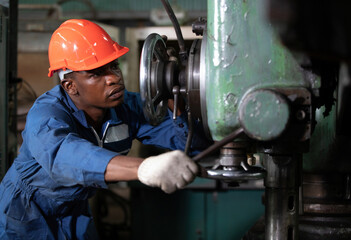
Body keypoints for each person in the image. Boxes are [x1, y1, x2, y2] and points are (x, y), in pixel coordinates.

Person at [0, 19, 208, 239]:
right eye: (97, 73)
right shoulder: (47, 115)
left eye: (114, 66)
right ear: (70, 86)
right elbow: (68, 157)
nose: (114, 78)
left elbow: (192, 145)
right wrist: (144, 168)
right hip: (26, 213)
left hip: (75, 210)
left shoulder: (129, 108)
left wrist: (176, 103)